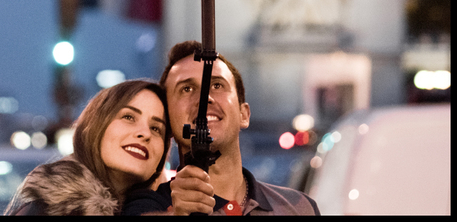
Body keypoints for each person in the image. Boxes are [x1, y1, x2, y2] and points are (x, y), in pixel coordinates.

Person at [124, 41, 320, 216]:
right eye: (186, 89)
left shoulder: (300, 208)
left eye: (217, 85)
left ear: (244, 114)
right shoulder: (145, 207)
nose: (205, 99)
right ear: (169, 124)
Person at [5, 79, 172, 215]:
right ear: (96, 126)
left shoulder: (161, 207)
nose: (145, 133)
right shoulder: (46, 208)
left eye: (156, 128)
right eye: (128, 117)